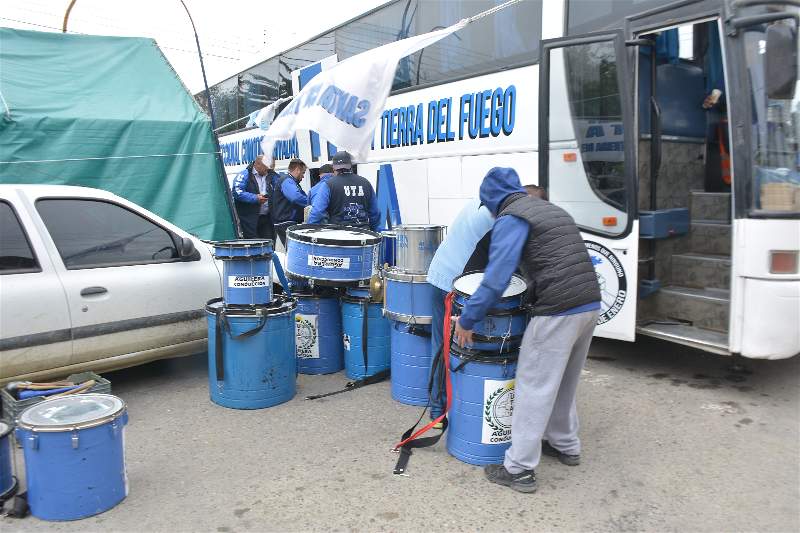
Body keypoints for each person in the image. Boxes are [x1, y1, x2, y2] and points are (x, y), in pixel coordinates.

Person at [453, 167, 601, 494]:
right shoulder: (550, 209)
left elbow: (497, 276)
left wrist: (468, 319)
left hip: (558, 309)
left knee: (533, 385)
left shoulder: (512, 217)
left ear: (492, 199)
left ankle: (518, 469)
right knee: (563, 381)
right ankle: (566, 445)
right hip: (589, 303)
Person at [426, 199, 494, 419]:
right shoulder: (498, 217)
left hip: (438, 273)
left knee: (439, 344)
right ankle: (447, 410)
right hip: (455, 285)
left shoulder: (475, 202)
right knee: (457, 348)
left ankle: (438, 411)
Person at [307, 151, 380, 230]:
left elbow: (317, 212)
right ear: (350, 166)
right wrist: (373, 230)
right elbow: (375, 213)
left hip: (339, 236)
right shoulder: (365, 183)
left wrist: (310, 229)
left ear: (334, 168)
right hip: (364, 235)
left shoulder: (328, 185)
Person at [231, 155, 276, 241]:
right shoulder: (244, 174)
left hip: (267, 218)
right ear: (257, 164)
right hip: (249, 219)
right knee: (252, 245)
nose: (268, 170)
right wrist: (255, 198)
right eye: (266, 167)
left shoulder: (271, 174)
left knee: (269, 243)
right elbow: (237, 192)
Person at [271, 158, 308, 246]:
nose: (303, 176)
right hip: (286, 222)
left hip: (286, 222)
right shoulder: (287, 180)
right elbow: (295, 197)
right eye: (303, 173)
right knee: (293, 250)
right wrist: (312, 202)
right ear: (297, 170)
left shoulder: (290, 181)